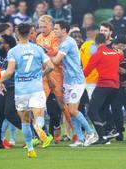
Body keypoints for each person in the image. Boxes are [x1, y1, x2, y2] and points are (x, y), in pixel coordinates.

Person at [0, 23, 54, 158]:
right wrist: (41, 73)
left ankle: (30, 149)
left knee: (25, 121)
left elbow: (10, 71)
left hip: (21, 91)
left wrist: (0, 81)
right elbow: (51, 66)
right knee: (39, 116)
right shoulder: (38, 49)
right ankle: (39, 127)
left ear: (17, 34)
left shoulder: (13, 51)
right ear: (30, 33)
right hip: (36, 88)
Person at [51, 20, 97, 147]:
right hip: (69, 81)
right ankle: (80, 139)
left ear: (64, 30)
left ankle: (91, 132)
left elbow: (56, 61)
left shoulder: (67, 43)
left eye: (56, 28)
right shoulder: (63, 42)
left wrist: (43, 55)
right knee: (71, 111)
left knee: (72, 109)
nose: (54, 31)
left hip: (76, 80)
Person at [84, 33, 124, 145]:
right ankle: (110, 130)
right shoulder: (115, 53)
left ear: (96, 42)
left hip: (103, 85)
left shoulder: (97, 54)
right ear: (106, 41)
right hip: (115, 87)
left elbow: (86, 72)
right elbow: (122, 56)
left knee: (92, 111)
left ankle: (102, 136)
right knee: (102, 110)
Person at [36, 15, 70, 144]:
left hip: (57, 74)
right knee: (38, 106)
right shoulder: (39, 38)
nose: (42, 29)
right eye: (40, 27)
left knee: (62, 106)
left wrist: (42, 51)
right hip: (44, 75)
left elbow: (55, 53)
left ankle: (76, 132)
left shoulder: (55, 37)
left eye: (45, 26)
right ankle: (40, 136)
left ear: (51, 26)